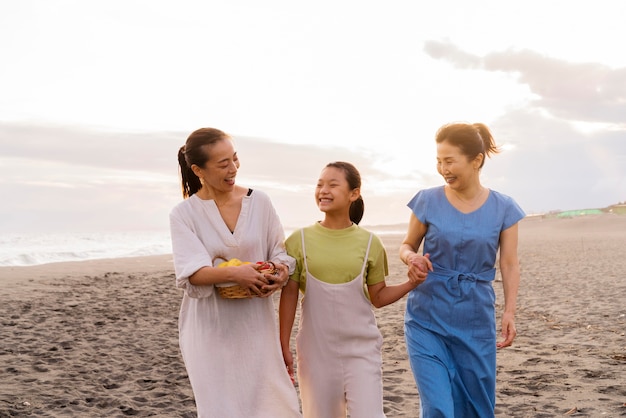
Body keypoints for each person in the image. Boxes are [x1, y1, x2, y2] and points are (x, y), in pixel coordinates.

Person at [169, 127, 302, 418]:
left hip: (256, 326)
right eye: (223, 164)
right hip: (209, 329)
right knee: (221, 409)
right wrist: (237, 273)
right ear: (197, 170)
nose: (233, 169)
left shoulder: (260, 202)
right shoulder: (184, 214)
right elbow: (192, 274)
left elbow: (280, 253)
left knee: (275, 404)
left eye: (235, 159)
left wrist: (280, 272)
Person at [399, 122, 525, 417]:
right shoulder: (427, 200)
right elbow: (407, 245)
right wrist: (410, 259)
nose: (443, 169)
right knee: (437, 407)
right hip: (426, 317)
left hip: (476, 318)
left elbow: (508, 263)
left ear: (476, 160)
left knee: (477, 407)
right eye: (439, 161)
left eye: (450, 161)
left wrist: (509, 312)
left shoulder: (504, 208)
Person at [279, 161, 419, 418]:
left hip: (362, 351)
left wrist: (412, 283)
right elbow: (288, 295)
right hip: (315, 352)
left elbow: (378, 297)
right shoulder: (297, 240)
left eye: (333, 185)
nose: (323, 190)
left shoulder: (369, 243)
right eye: (320, 184)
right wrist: (283, 343)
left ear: (354, 194)